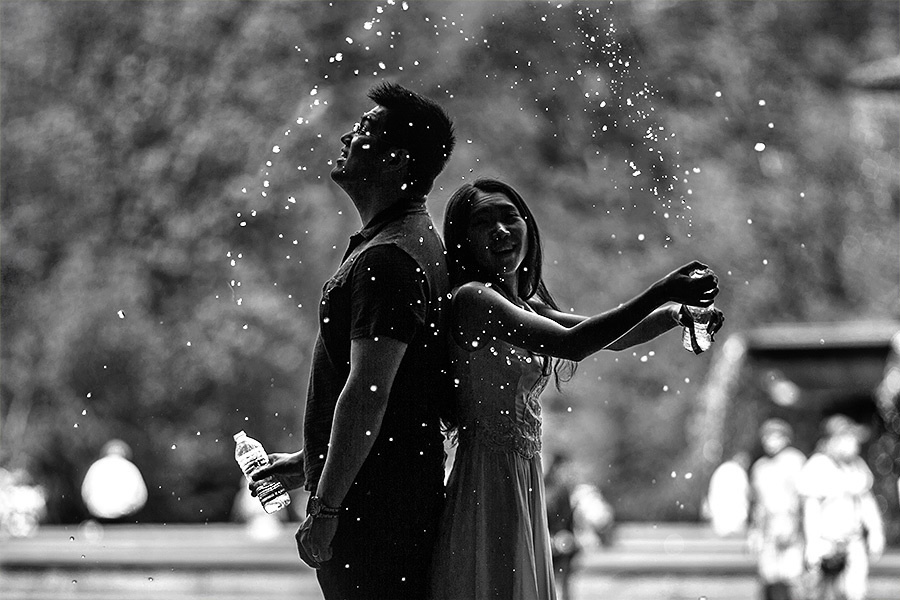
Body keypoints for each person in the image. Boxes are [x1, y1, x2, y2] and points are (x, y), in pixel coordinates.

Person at [428, 177, 723, 600]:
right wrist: (662, 290)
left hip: (522, 477)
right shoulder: (473, 300)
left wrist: (673, 314)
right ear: (462, 241)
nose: (501, 230)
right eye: (482, 222)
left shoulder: (526, 307)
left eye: (509, 217)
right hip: (487, 482)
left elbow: (611, 336)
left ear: (528, 225)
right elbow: (575, 344)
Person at [250, 82, 456, 600]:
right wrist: (308, 461)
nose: (347, 136)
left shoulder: (387, 260)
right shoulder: (407, 244)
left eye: (364, 131)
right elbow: (399, 395)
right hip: (395, 493)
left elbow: (369, 392)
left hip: (376, 508)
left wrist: (326, 508)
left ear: (395, 160)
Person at [797, 414, 885, 600]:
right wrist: (812, 544)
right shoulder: (817, 466)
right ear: (832, 440)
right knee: (824, 594)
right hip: (826, 543)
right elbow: (810, 509)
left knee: (854, 592)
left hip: (853, 542)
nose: (853, 443)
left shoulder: (857, 466)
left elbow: (867, 503)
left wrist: (876, 532)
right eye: (847, 438)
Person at [747, 419, 807, 600]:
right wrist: (755, 531)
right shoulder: (760, 467)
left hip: (791, 526)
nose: (769, 441)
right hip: (768, 529)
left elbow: (802, 501)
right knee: (768, 578)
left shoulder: (795, 461)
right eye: (766, 436)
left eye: (774, 436)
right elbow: (758, 504)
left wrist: (796, 527)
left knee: (792, 577)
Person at [80, 439, 148, 523]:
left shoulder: (96, 466)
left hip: (99, 515)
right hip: (126, 516)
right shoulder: (130, 467)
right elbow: (141, 496)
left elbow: (86, 493)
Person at [544, 453, 580, 600]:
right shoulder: (552, 489)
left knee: (561, 585)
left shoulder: (561, 489)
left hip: (560, 542)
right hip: (553, 541)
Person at [705, 450, 752, 538]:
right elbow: (744, 496)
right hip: (735, 523)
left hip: (719, 523)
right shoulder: (739, 472)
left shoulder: (720, 470)